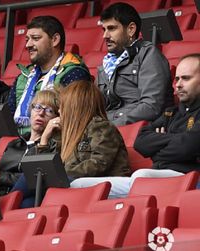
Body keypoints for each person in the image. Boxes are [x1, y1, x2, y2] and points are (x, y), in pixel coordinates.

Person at [75, 54, 200, 197]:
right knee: (79, 185)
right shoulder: (171, 113)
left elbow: (187, 147)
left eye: (186, 78)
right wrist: (175, 140)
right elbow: (141, 142)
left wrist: (159, 147)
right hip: (156, 178)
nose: (178, 84)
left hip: (189, 179)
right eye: (177, 79)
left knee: (142, 175)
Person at [13, 80, 130, 207]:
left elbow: (97, 165)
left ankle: (6, 202)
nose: (59, 110)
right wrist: (44, 140)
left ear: (74, 106)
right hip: (74, 181)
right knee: (27, 201)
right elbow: (40, 164)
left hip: (97, 184)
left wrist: (59, 173)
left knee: (33, 177)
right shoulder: (65, 132)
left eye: (63, 105)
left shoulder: (101, 127)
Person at [9, 15, 90, 135]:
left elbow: (73, 121)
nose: (28, 45)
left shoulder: (74, 74)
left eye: (35, 38)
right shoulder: (23, 77)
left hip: (53, 144)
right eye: (27, 40)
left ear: (55, 40)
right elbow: (7, 118)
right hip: (18, 145)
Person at [97, 2, 173, 126]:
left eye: (111, 28)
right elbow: (98, 107)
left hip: (138, 129)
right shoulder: (106, 63)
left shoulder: (148, 55)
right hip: (109, 129)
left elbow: (150, 106)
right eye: (104, 29)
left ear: (131, 29)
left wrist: (110, 126)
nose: (105, 35)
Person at [0, 90, 59, 195]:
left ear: (56, 119)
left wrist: (5, 177)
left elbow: (39, 179)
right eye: (37, 107)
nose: (41, 113)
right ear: (30, 111)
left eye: (49, 111)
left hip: (25, 197)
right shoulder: (15, 143)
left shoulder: (53, 145)